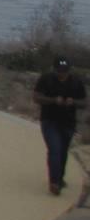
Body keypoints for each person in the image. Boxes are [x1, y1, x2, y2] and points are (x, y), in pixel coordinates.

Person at [33, 56, 85, 195]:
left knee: (62, 152)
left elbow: (84, 102)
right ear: (54, 69)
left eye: (65, 71)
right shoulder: (46, 79)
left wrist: (72, 102)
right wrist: (53, 100)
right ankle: (54, 182)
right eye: (60, 71)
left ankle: (60, 178)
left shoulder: (76, 82)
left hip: (68, 122)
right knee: (54, 149)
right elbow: (36, 97)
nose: (62, 74)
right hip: (49, 120)